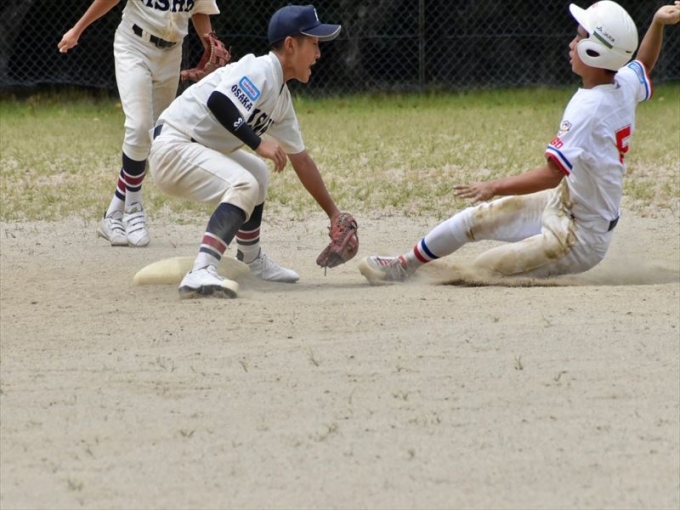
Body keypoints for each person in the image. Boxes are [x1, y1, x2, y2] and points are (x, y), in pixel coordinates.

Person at [359, 0, 680, 284]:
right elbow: (643, 64)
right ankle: (405, 265)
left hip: (580, 237)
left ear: (596, 51)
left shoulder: (589, 108)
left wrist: (494, 186)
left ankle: (436, 276)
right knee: (475, 218)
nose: (571, 44)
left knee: (483, 269)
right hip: (565, 202)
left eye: (579, 37)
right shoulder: (622, 83)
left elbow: (551, 174)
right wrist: (657, 22)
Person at [148, 4, 352, 298]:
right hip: (174, 146)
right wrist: (258, 143)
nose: (319, 54)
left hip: (195, 146)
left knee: (257, 173)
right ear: (291, 45)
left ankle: (251, 258)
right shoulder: (261, 69)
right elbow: (219, 102)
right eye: (314, 44)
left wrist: (333, 214)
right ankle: (201, 270)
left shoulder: (281, 97)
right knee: (244, 183)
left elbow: (302, 161)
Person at [58, 0, 221, 247]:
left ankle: (112, 215)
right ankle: (134, 209)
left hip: (171, 54)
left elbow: (199, 10)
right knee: (139, 127)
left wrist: (210, 46)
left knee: (154, 137)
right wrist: (77, 29)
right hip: (134, 46)